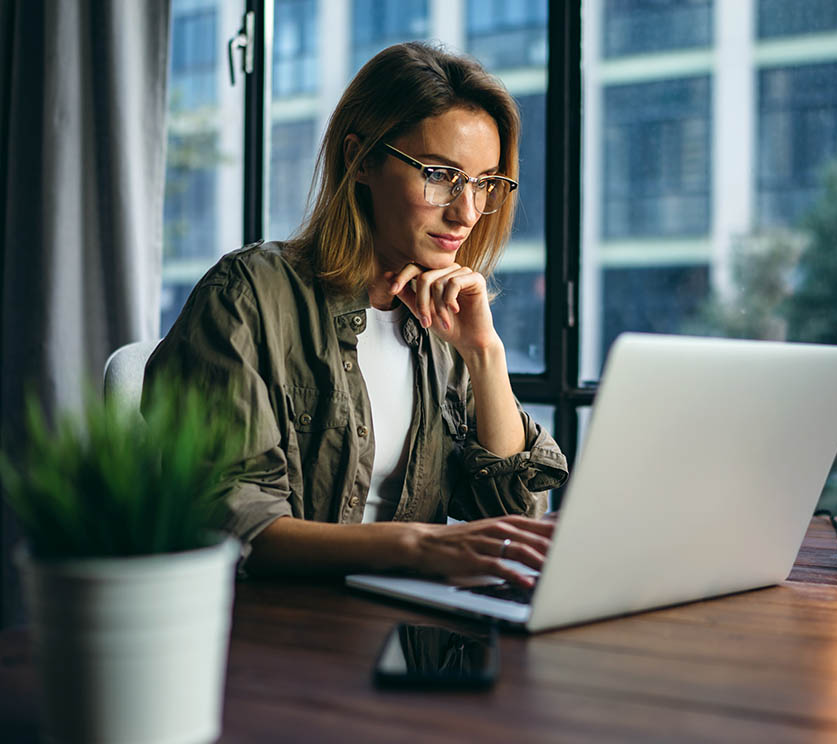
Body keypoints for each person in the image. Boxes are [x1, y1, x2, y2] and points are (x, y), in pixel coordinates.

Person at [143, 41, 568, 587]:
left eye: (485, 182)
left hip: (409, 629)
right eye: (440, 175)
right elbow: (232, 522)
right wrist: (414, 545)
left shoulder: (444, 321)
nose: (467, 211)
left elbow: (512, 518)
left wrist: (484, 354)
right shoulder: (248, 296)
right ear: (361, 159)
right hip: (283, 629)